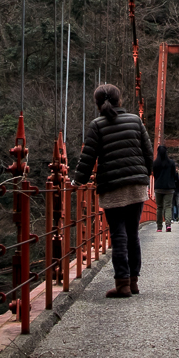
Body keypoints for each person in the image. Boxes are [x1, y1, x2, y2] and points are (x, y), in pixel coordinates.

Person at [71, 82, 153, 298]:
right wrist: (146, 174)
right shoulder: (136, 120)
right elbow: (148, 152)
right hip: (136, 185)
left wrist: (76, 182)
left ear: (97, 103)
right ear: (120, 100)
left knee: (118, 235)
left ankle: (123, 284)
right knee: (133, 234)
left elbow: (88, 157)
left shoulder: (97, 125)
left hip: (112, 186)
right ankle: (133, 282)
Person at [151, 147, 179, 231]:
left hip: (158, 187)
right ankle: (168, 225)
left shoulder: (155, 163)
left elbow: (154, 175)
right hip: (169, 188)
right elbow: (174, 175)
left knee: (159, 207)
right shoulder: (171, 163)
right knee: (168, 206)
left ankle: (159, 227)